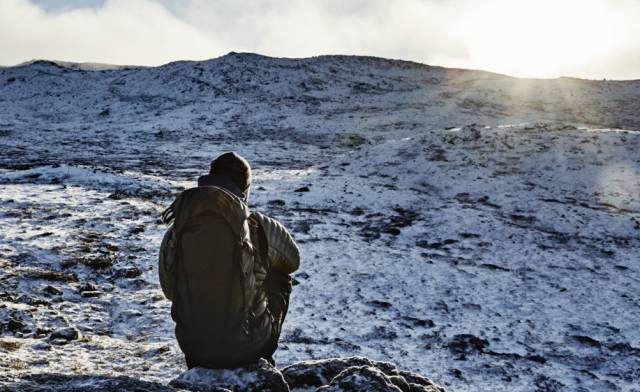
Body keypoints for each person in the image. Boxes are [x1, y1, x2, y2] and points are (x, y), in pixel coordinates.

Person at [158, 152, 299, 368]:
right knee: (280, 277)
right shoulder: (257, 225)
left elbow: (170, 290)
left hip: (194, 349)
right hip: (247, 349)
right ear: (245, 188)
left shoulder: (178, 228)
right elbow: (292, 261)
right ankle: (262, 363)